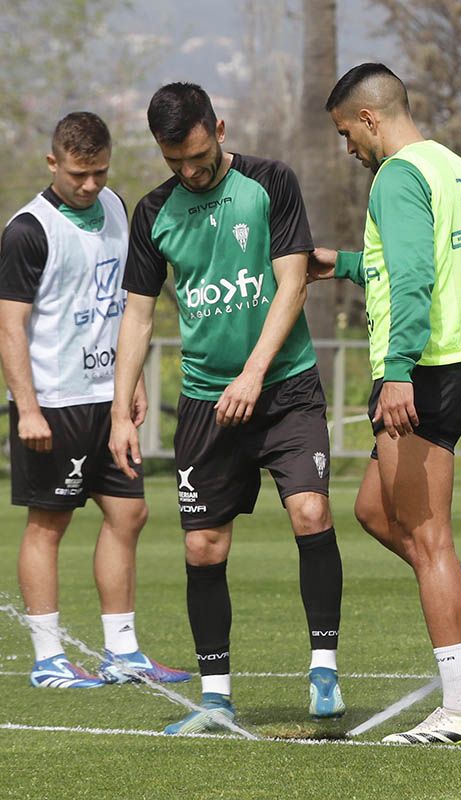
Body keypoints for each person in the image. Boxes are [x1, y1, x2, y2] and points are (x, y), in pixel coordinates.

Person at [109, 83, 344, 733]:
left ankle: (323, 667)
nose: (189, 171)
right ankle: (215, 698)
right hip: (206, 402)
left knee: (310, 508)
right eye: (173, 160)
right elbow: (137, 313)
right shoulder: (152, 212)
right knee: (204, 547)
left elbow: (293, 280)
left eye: (197, 155)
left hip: (284, 387)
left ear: (219, 126)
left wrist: (254, 374)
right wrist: (117, 406)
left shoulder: (272, 182)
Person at [308, 63, 461, 745]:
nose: (349, 149)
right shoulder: (454, 168)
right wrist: (339, 262)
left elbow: (414, 276)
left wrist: (395, 370)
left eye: (347, 133)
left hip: (425, 370)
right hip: (457, 361)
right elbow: (424, 259)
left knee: (429, 539)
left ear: (370, 118)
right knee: (373, 510)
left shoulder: (396, 176)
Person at [0, 112, 189, 689]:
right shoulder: (27, 231)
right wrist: (27, 408)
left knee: (129, 512)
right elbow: (10, 327)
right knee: (48, 525)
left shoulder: (114, 207)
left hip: (107, 398)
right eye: (79, 174)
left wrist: (128, 387)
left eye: (99, 172)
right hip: (54, 401)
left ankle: (122, 652)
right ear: (53, 163)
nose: (90, 185)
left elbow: (125, 306)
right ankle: (49, 658)